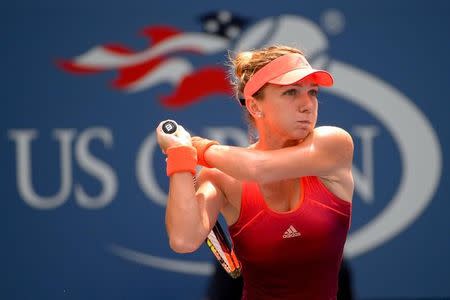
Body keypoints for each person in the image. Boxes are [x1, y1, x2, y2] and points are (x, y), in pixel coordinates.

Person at [156, 45, 354, 300]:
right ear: (255, 106)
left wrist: (196, 147)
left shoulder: (333, 144)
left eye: (313, 92)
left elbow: (258, 168)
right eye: (291, 92)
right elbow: (183, 240)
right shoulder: (221, 177)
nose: (308, 105)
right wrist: (179, 154)